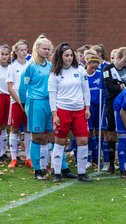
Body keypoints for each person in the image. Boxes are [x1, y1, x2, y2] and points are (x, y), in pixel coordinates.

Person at [49, 42, 92, 183]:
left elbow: (86, 90)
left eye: (70, 55)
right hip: (62, 111)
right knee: (60, 142)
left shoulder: (79, 70)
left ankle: (82, 173)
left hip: (79, 111)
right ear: (60, 57)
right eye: (66, 55)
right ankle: (57, 173)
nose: (68, 58)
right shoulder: (55, 74)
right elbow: (52, 95)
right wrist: (54, 114)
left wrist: (87, 107)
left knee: (83, 140)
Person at [18, 35, 53, 180]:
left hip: (49, 103)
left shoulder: (50, 66)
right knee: (37, 136)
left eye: (49, 49)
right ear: (37, 49)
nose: (47, 51)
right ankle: (37, 170)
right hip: (35, 103)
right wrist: (25, 103)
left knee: (50, 136)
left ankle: (47, 167)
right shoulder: (30, 66)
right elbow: (22, 88)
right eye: (44, 49)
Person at [103, 47, 126, 174]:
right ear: (117, 58)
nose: (125, 64)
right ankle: (111, 165)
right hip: (112, 105)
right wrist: (122, 86)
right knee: (111, 135)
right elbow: (110, 87)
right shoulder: (108, 69)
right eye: (123, 61)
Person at [6, 40, 31, 168]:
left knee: (28, 129)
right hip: (16, 102)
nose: (24, 52)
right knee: (14, 129)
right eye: (21, 50)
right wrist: (18, 101)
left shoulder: (30, 65)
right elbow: (10, 87)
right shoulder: (12, 67)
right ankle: (14, 158)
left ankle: (28, 157)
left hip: (29, 101)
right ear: (16, 52)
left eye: (26, 49)